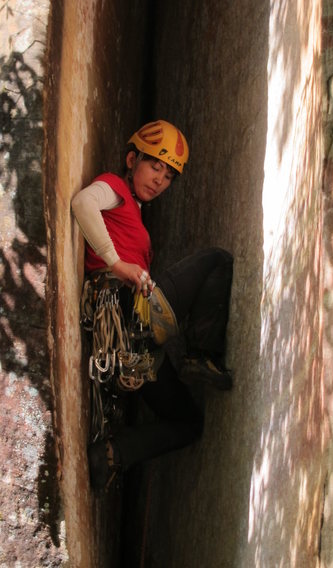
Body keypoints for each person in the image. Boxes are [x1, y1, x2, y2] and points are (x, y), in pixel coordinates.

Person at [71, 120, 233, 491]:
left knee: (189, 422)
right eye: (154, 166)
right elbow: (83, 202)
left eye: (169, 175)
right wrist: (115, 261)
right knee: (217, 260)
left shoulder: (137, 215)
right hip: (125, 310)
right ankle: (201, 356)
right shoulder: (115, 188)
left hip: (134, 343)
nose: (160, 180)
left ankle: (112, 454)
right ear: (132, 159)